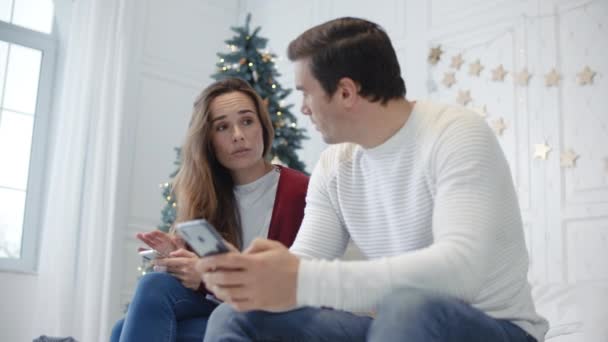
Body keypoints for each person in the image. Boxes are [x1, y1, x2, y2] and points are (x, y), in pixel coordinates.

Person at [198, 17, 549, 342]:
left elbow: (460, 273)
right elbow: (301, 266)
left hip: (496, 327)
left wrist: (301, 279)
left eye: (306, 92)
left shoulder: (455, 133)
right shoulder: (335, 166)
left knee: (409, 307)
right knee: (233, 317)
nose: (303, 107)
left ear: (346, 93)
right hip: (397, 326)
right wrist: (253, 279)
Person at [110, 77, 309, 342]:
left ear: (263, 126)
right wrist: (179, 259)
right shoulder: (207, 195)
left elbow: (293, 285)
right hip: (223, 308)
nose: (238, 135)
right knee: (149, 292)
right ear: (208, 140)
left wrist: (205, 274)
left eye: (247, 121)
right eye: (223, 127)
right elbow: (206, 285)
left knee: (125, 330)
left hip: (274, 318)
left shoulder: (300, 191)